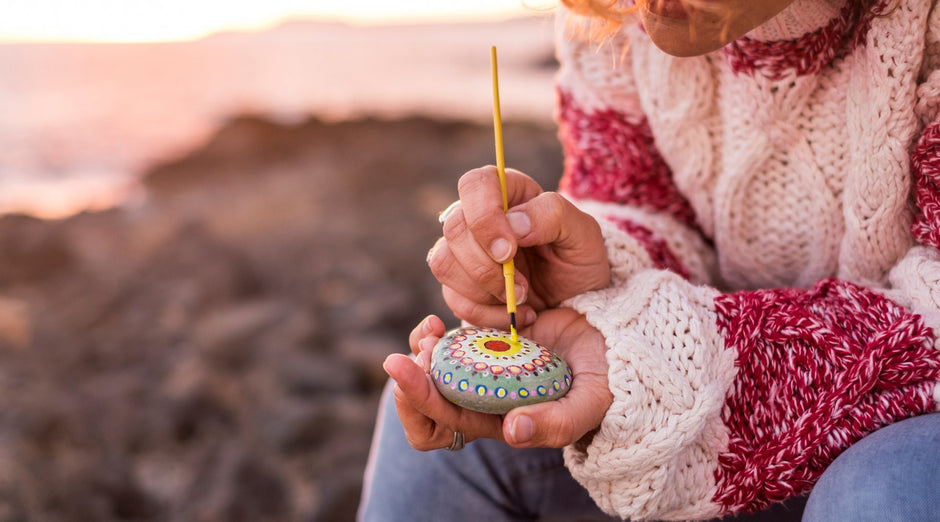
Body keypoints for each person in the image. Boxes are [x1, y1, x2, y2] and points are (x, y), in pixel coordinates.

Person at [359, 0, 940, 520]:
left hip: (905, 418)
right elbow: (641, 203)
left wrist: (654, 360)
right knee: (445, 439)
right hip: (745, 414)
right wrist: (597, 270)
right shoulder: (612, 16)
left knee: (878, 489)